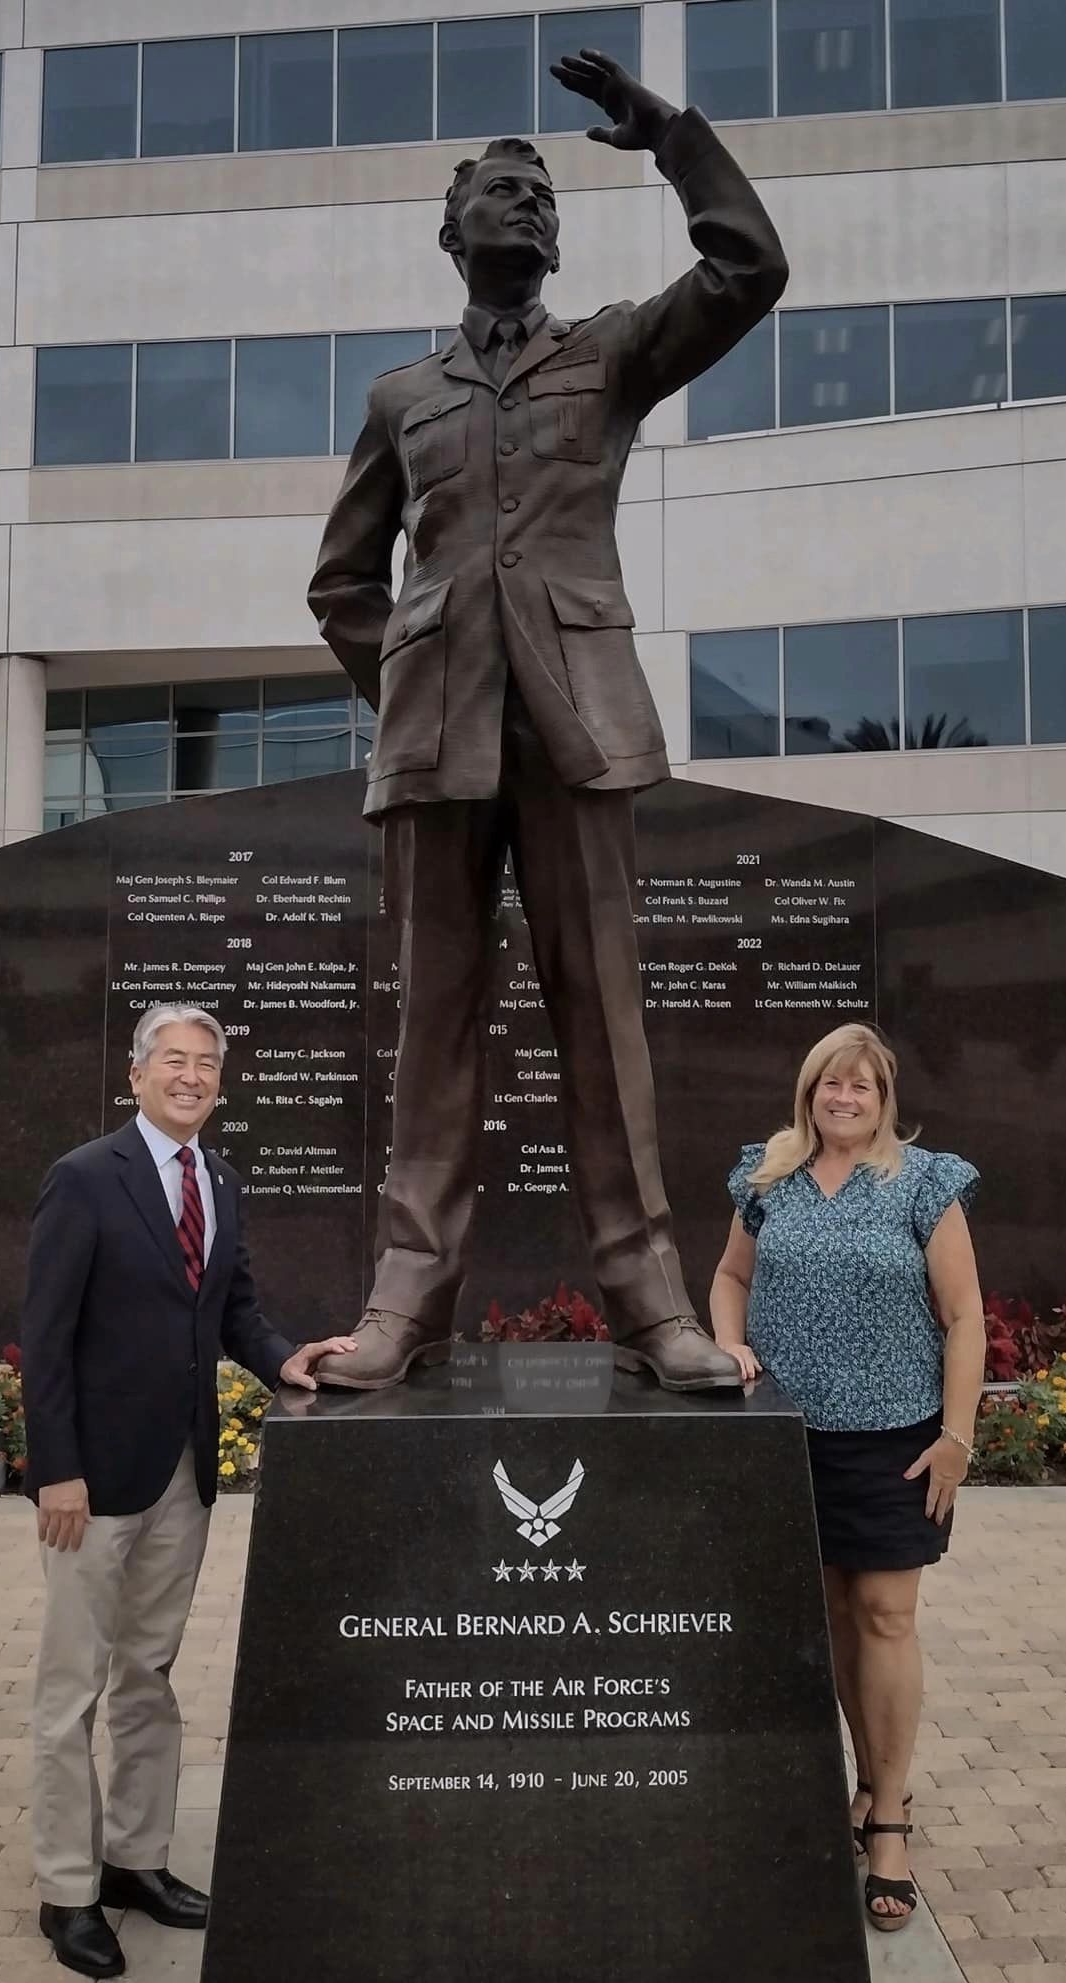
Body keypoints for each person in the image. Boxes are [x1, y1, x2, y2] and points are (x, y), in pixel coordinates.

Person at [308, 48, 788, 1394]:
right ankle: (409, 1301)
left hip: (576, 731)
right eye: (500, 192)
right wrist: (407, 679)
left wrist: (668, 138)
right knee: (434, 1031)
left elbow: (749, 271)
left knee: (602, 1023)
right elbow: (342, 580)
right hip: (438, 750)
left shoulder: (609, 353)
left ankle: (648, 1305)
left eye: (541, 196)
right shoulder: (402, 398)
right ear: (449, 230)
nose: (525, 207)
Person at [19, 1002, 355, 1979]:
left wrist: (287, 1358)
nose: (192, 1075)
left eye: (207, 1063)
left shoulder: (220, 1179)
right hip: (93, 1482)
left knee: (147, 1676)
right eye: (174, 1059)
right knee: (68, 1690)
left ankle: (133, 1859)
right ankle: (67, 1889)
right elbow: (42, 1336)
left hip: (181, 1476)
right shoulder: (84, 1179)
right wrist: (58, 1469)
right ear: (136, 1073)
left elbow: (235, 1310)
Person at [709, 1023, 985, 1933]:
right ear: (810, 1091)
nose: (845, 1098)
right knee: (829, 1616)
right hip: (787, 1434)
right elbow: (728, 1276)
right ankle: (861, 1781)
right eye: (833, 1083)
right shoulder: (768, 1176)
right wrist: (729, 1345)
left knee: (886, 1615)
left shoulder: (924, 1182)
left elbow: (965, 1316)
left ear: (884, 1098)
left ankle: (892, 1817)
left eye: (862, 1087)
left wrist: (956, 1437)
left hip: (896, 1439)